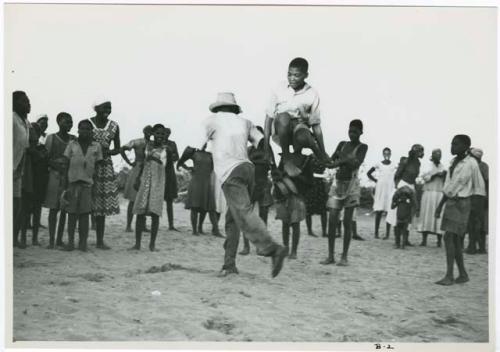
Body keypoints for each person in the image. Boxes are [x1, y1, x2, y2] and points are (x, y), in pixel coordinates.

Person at [198, 92, 288, 277]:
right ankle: (229, 264)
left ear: (218, 107)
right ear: (233, 108)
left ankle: (272, 249)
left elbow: (201, 146)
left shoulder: (211, 121)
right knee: (233, 219)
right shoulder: (246, 122)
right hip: (248, 169)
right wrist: (272, 165)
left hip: (230, 172)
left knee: (244, 213)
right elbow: (263, 141)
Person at [264, 57, 332, 177]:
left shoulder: (312, 93)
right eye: (289, 74)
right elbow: (268, 118)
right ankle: (287, 159)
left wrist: (322, 151)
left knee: (303, 135)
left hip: (299, 130)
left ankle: (315, 149)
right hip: (281, 129)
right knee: (284, 116)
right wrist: (266, 146)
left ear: (306, 75)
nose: (292, 78)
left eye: (296, 75)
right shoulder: (279, 88)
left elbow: (315, 124)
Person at [435, 135, 485, 286]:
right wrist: (440, 206)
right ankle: (462, 274)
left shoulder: (471, 164)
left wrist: (475, 213)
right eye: (451, 144)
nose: (452, 147)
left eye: (456, 144)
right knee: (454, 239)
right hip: (451, 203)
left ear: (465, 146)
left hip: (463, 203)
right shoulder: (452, 163)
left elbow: (479, 188)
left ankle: (449, 275)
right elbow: (448, 188)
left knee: (449, 238)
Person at [322, 119, 368, 266]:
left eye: (355, 131)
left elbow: (356, 163)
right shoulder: (342, 144)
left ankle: (344, 256)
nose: (352, 134)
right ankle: (330, 256)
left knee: (347, 222)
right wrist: (324, 159)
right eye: (350, 131)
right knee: (332, 221)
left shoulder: (363, 147)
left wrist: (339, 161)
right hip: (338, 183)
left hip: (352, 185)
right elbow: (331, 160)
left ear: (361, 132)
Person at [61, 120, 103, 251]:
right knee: (72, 215)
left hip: (87, 185)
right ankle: (71, 243)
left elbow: (98, 167)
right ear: (78, 130)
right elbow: (65, 165)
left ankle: (83, 243)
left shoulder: (96, 146)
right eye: (82, 129)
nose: (84, 131)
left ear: (91, 131)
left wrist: (96, 187)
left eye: (87, 129)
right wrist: (64, 186)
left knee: (85, 215)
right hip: (72, 184)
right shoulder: (71, 144)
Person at [87, 100, 121, 249]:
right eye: (105, 107)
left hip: (105, 166)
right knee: (85, 199)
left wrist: (107, 152)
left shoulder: (114, 126)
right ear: (96, 108)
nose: (108, 110)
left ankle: (99, 241)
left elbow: (117, 149)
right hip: (88, 164)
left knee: (101, 206)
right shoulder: (87, 123)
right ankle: (80, 239)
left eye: (110, 108)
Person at [130, 124, 167, 251]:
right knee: (140, 213)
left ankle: (152, 244)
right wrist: (137, 178)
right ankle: (137, 244)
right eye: (158, 133)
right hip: (145, 180)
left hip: (157, 183)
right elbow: (143, 162)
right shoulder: (147, 146)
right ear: (153, 134)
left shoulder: (166, 149)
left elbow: (164, 164)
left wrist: (152, 157)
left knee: (155, 214)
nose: (160, 136)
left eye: (162, 134)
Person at [239, 126, 274, 255]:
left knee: (263, 218)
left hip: (263, 185)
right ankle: (246, 246)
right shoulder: (248, 150)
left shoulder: (266, 150)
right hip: (250, 185)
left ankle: (261, 246)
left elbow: (270, 163)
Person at [44, 112, 75, 248]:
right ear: (59, 122)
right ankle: (51, 240)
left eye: (71, 122)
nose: (69, 124)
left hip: (68, 177)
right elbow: (46, 158)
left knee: (64, 210)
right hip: (55, 176)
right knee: (53, 209)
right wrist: (58, 166)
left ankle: (59, 239)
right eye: (66, 121)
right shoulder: (51, 138)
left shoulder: (74, 139)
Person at [273, 151, 313, 259]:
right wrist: (280, 175)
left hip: (297, 195)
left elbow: (310, 181)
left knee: (295, 224)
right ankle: (286, 248)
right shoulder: (285, 158)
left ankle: (294, 251)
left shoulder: (306, 160)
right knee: (285, 223)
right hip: (283, 194)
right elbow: (277, 174)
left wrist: (297, 175)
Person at [386, 144, 425, 247]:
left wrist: (415, 188)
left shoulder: (418, 163)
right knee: (398, 214)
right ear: (414, 152)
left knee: (409, 214)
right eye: (419, 151)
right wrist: (397, 188)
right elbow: (397, 175)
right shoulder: (405, 161)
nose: (420, 153)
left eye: (421, 151)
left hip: (411, 186)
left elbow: (415, 177)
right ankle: (397, 240)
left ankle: (405, 240)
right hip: (402, 185)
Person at [177, 146, 219, 236]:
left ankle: (200, 228)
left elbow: (215, 166)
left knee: (204, 207)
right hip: (196, 181)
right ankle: (194, 230)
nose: (203, 145)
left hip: (207, 182)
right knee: (195, 206)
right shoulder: (194, 153)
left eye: (205, 143)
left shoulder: (210, 155)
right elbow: (181, 161)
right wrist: (189, 168)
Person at [120, 125, 152, 232]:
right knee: (133, 199)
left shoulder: (152, 144)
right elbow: (122, 148)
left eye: (150, 131)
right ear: (143, 131)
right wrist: (129, 162)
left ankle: (142, 225)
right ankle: (128, 225)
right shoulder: (137, 142)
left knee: (144, 199)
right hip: (137, 168)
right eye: (147, 131)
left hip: (148, 169)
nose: (148, 133)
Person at [416, 149, 446, 247]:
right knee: (427, 215)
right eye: (436, 154)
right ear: (432, 156)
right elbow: (423, 178)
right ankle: (424, 240)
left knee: (439, 216)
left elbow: (447, 180)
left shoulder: (443, 166)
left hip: (439, 193)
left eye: (440, 154)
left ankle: (439, 240)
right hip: (428, 193)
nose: (438, 156)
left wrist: (444, 175)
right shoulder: (427, 166)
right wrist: (435, 175)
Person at [13, 91, 31, 248]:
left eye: (28, 101)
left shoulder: (25, 122)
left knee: (16, 206)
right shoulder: (10, 118)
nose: (28, 104)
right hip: (8, 168)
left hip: (18, 171)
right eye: (24, 101)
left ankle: (13, 238)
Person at [367, 147, 396, 239]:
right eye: (385, 153)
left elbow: (398, 174)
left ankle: (387, 234)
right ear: (383, 154)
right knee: (379, 210)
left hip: (390, 188)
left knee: (389, 211)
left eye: (388, 153)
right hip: (381, 188)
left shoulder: (394, 165)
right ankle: (376, 233)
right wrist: (376, 181)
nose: (387, 155)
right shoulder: (378, 164)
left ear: (390, 154)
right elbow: (368, 173)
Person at [464, 147, 488, 254]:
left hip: (476, 196)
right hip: (480, 196)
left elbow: (487, 182)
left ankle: (473, 246)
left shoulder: (474, 166)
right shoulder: (484, 166)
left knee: (473, 222)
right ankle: (480, 247)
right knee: (478, 223)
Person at [305, 155, 328, 238]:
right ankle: (310, 231)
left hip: (320, 184)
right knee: (308, 210)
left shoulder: (323, 156)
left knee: (323, 210)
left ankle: (324, 232)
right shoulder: (310, 157)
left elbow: (329, 164)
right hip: (311, 183)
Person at [163, 127, 180, 231]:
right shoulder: (155, 143)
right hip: (158, 171)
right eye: (164, 133)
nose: (166, 135)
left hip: (169, 172)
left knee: (169, 199)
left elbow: (177, 157)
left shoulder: (172, 144)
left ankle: (171, 225)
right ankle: (145, 224)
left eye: (167, 134)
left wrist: (169, 155)